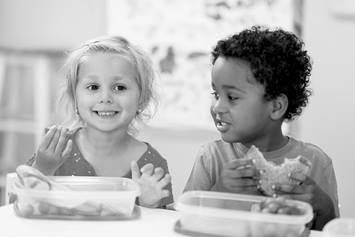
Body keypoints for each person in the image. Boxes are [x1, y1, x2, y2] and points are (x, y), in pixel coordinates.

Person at [183, 26, 338, 230]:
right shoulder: (211, 157)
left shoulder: (316, 162)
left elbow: (333, 231)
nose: (217, 107)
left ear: (276, 106)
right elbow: (185, 223)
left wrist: (324, 208)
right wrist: (219, 192)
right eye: (216, 94)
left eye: (232, 97)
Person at [27, 36, 173, 208]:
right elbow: (17, 207)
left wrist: (149, 205)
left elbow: (161, 228)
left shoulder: (152, 164)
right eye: (93, 87)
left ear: (141, 99)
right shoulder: (56, 149)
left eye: (120, 87)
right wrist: (43, 169)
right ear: (74, 97)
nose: (105, 98)